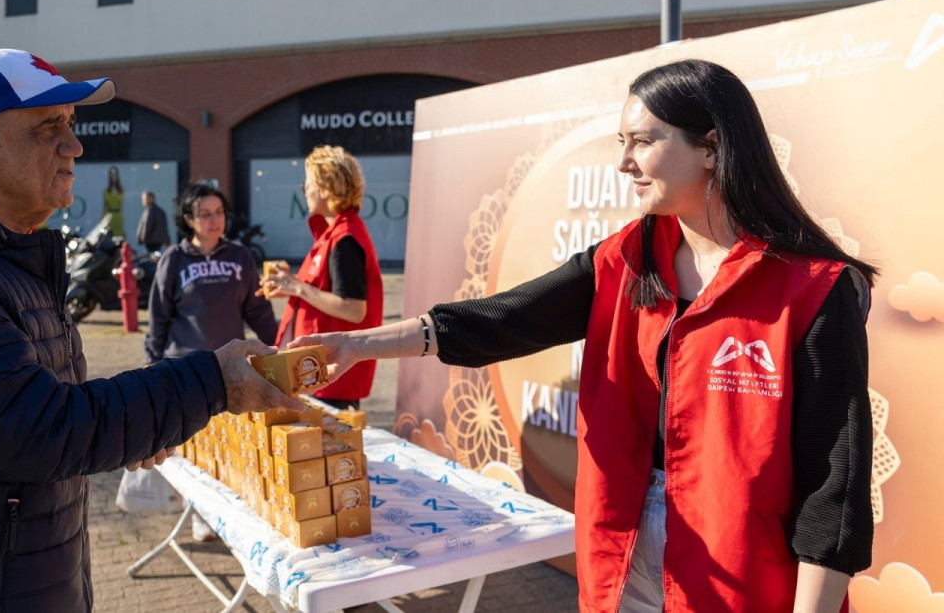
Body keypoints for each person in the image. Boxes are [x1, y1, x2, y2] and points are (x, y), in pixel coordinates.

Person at [290, 60, 874, 612]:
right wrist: (359, 344)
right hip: (621, 555)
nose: (624, 163)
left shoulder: (814, 289)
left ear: (712, 148)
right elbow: (504, 319)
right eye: (622, 142)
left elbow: (835, 486)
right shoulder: (623, 261)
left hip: (741, 575)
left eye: (643, 141)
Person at [0, 48, 303, 612]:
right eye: (48, 128)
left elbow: (42, 412)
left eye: (71, 124)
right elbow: (35, 430)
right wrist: (211, 383)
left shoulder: (2, 245)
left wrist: (141, 420)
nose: (75, 147)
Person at [145, 181, 278, 539]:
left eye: (219, 213)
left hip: (230, 373)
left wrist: (277, 347)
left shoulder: (239, 256)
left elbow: (258, 309)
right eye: (205, 214)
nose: (214, 220)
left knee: (229, 448)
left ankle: (230, 514)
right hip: (184, 370)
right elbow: (158, 318)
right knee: (193, 451)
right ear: (189, 219)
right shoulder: (174, 259)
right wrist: (152, 365)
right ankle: (199, 513)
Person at [259, 146, 383, 410]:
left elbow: (353, 309)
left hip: (331, 376)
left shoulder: (344, 239)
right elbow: (321, 290)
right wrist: (290, 286)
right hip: (319, 372)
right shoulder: (333, 233)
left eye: (309, 183)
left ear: (326, 188)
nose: (304, 189)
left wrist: (298, 287)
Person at [102, 164, 125, 237]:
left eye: (115, 174)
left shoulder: (121, 190)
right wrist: (102, 221)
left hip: (118, 216)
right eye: (112, 174)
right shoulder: (106, 191)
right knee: (108, 236)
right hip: (108, 216)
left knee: (118, 236)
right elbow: (104, 206)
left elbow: (122, 206)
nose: (113, 176)